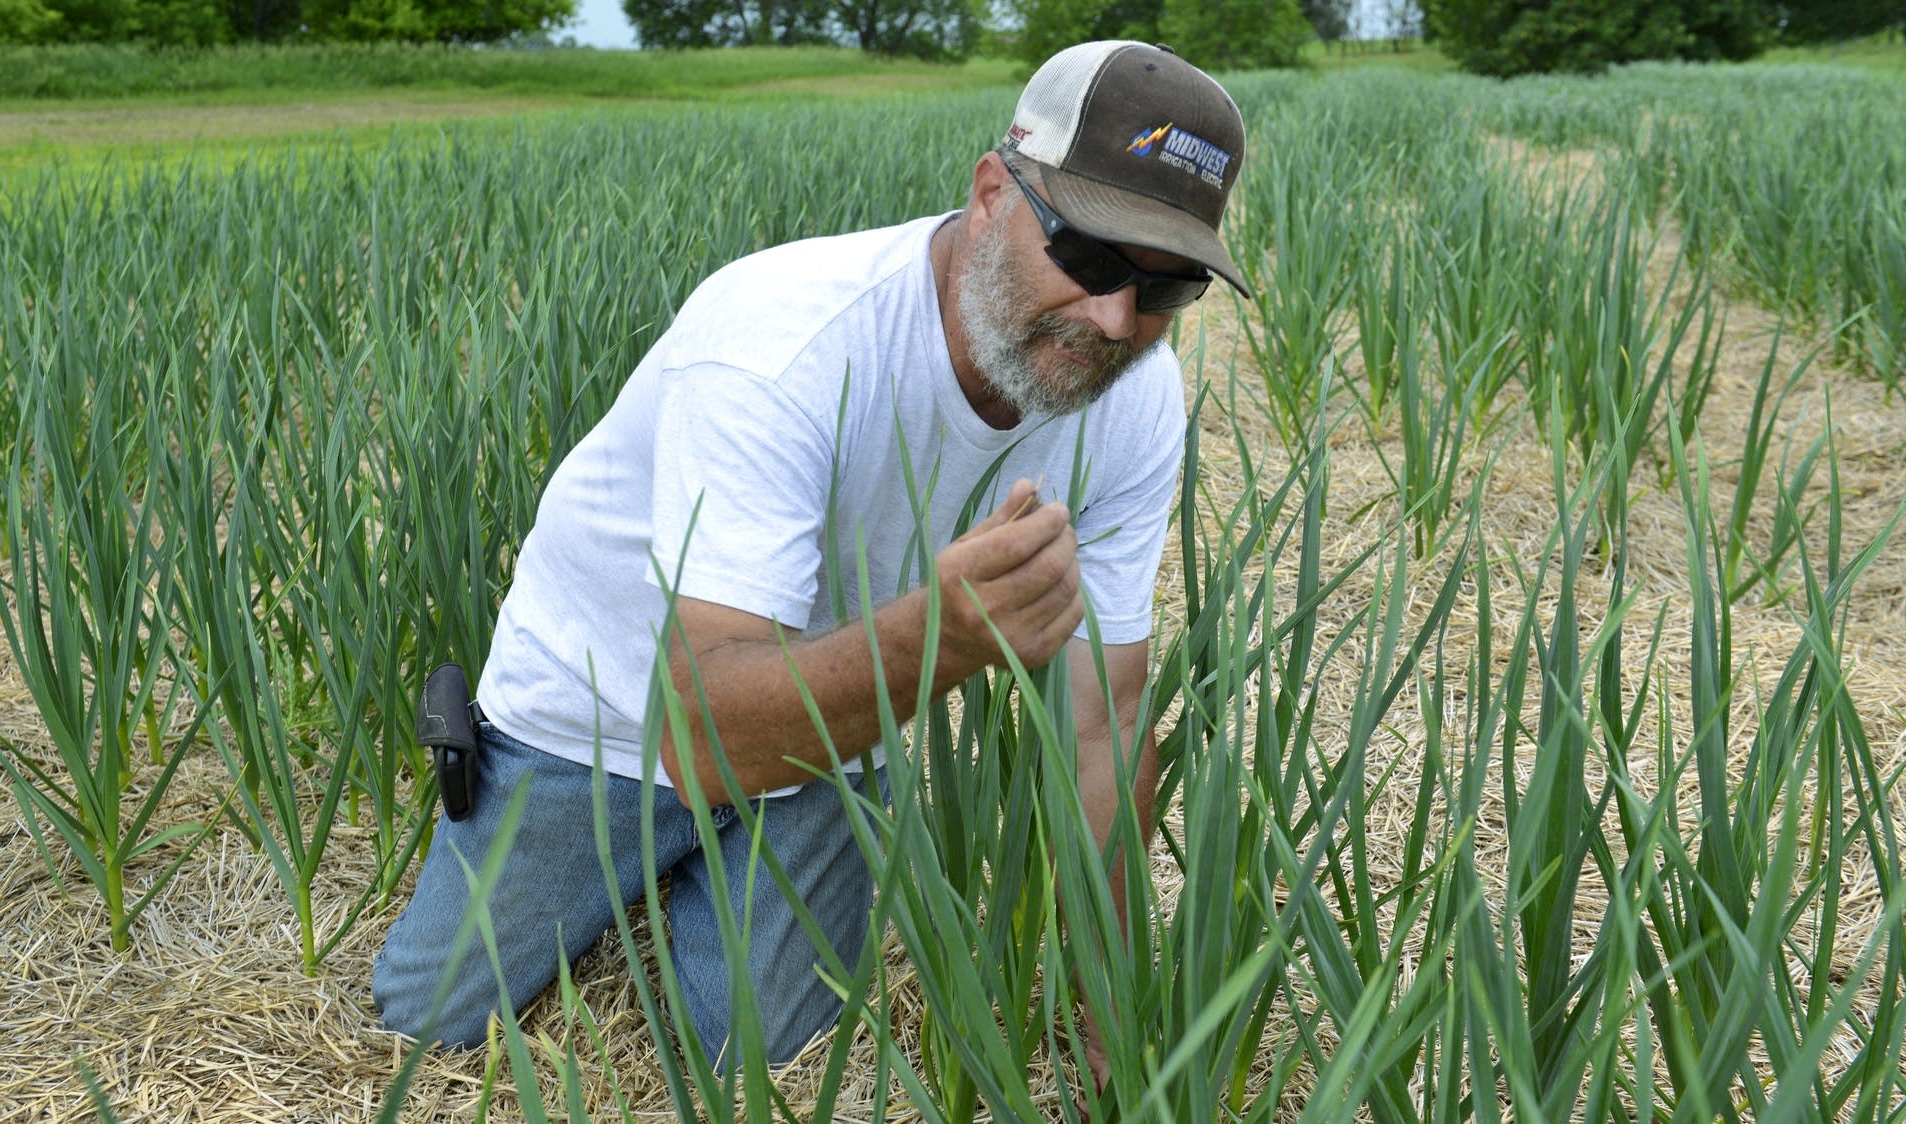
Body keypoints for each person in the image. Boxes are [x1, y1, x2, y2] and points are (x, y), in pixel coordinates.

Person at [371, 39, 1251, 1066]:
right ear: (988, 195)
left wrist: (1113, 1019)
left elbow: (1103, 724)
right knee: (427, 1021)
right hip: (605, 712)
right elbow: (699, 739)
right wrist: (944, 635)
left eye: (1166, 290)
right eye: (1091, 258)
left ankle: (700, 873)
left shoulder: (1132, 400)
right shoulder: (781, 342)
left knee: (752, 1055)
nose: (1113, 318)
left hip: (832, 727)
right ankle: (608, 846)